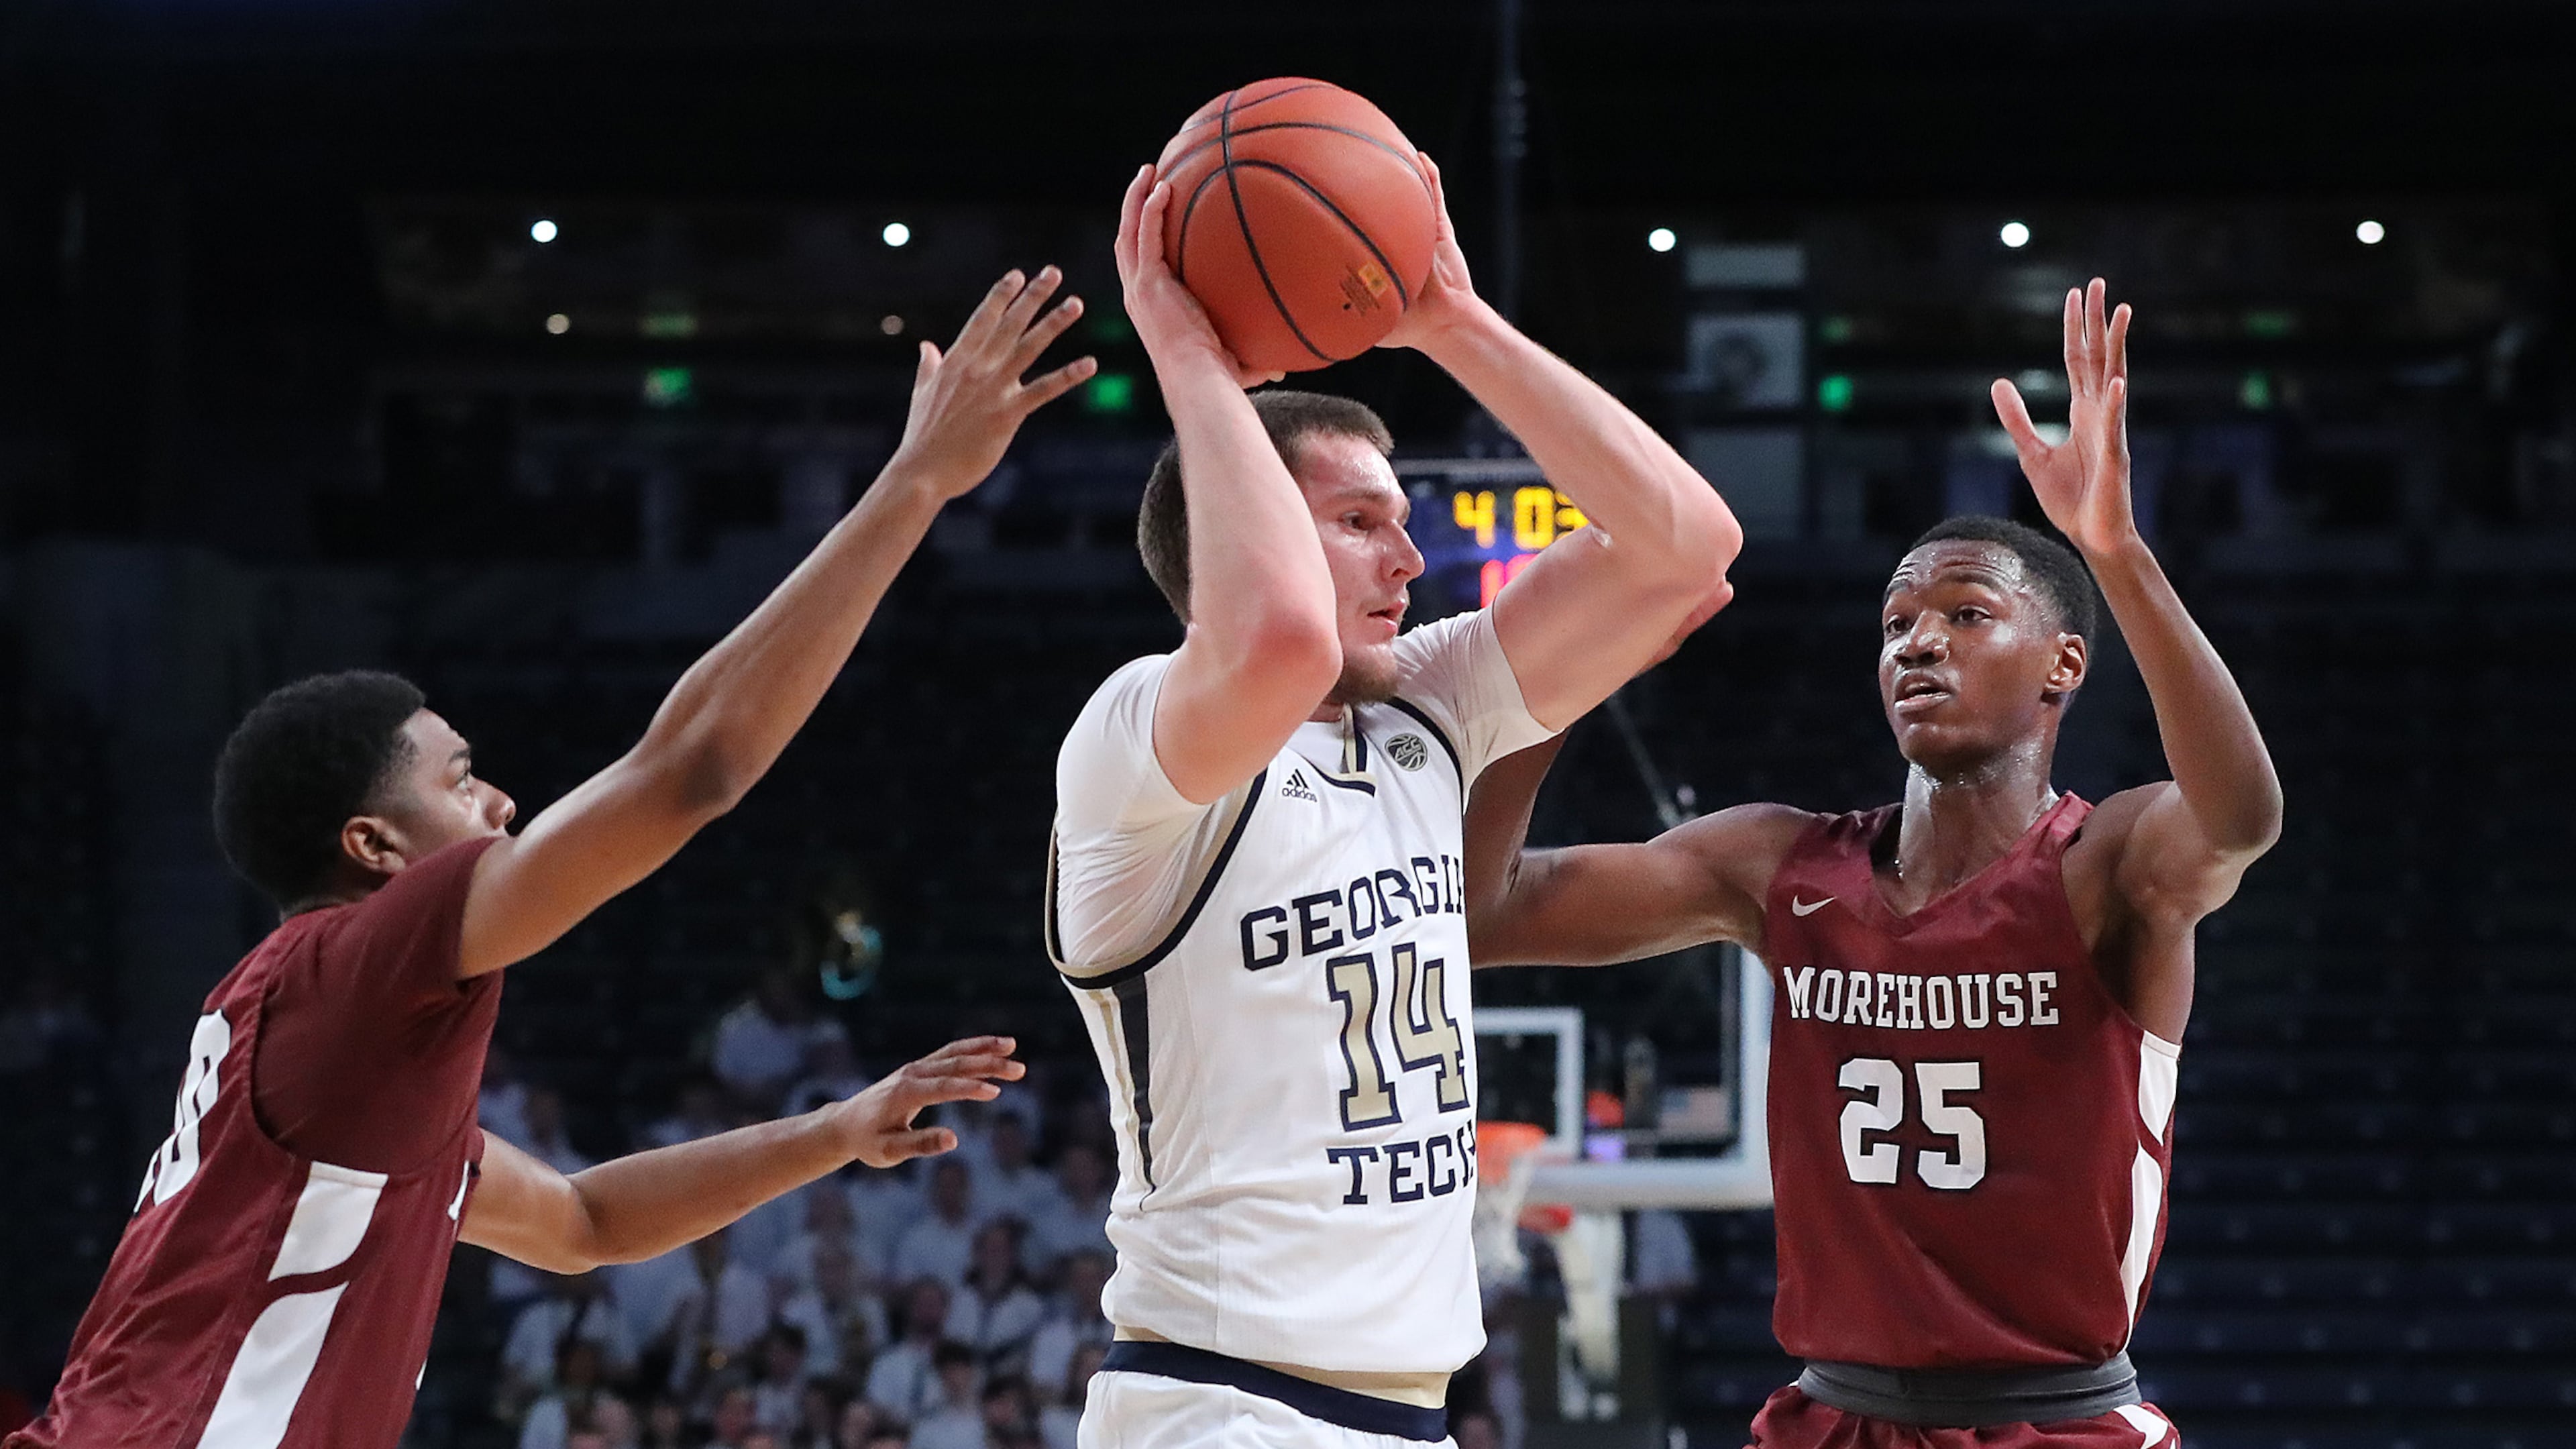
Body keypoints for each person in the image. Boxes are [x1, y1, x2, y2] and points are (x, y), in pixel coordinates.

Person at [7, 266, 1090, 1449]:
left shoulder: (351, 1076)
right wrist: (914, 482)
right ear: (372, 848)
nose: (503, 797)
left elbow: (584, 1223)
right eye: (459, 776)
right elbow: (690, 773)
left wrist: (836, 1130)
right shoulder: (349, 972)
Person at [1462, 281, 2282, 1448]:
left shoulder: (2109, 866)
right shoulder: (1775, 863)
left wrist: (2115, 551)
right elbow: (1480, 911)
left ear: (2062, 665)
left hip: (2052, 1422)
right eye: (1897, 623)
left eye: (1965, 614)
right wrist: (1550, 687)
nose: (1920, 642)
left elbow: (2243, 816)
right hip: (1831, 1418)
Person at [1046, 160, 1741, 1446]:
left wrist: (1448, 319)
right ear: (1236, 529)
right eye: (1361, 520)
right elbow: (1272, 647)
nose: (1413, 561)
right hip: (1222, 1404)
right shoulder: (1134, 737)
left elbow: (1689, 549)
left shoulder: (1425, 705)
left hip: (1405, 1412)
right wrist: (1189, 356)